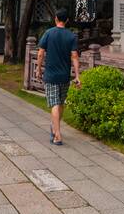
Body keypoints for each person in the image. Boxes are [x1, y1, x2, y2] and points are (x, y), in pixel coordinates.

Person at [37, 8, 80, 146]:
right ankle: (55, 127)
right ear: (67, 20)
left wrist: (38, 69)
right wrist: (77, 76)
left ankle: (57, 134)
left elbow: (40, 53)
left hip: (51, 74)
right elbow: (74, 56)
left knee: (54, 103)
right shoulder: (72, 36)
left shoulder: (49, 33)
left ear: (56, 18)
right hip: (64, 75)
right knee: (60, 103)